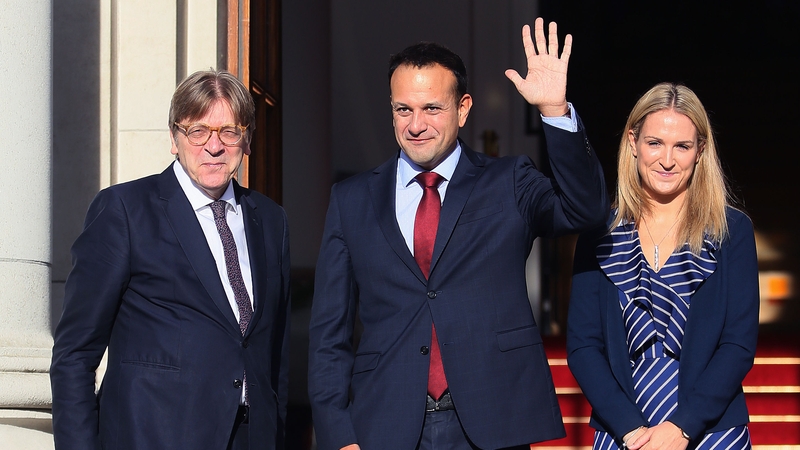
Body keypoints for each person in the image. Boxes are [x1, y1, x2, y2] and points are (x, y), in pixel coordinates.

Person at [308, 18, 609, 450]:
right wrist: (338, 435)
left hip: (494, 420)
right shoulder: (351, 199)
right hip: (385, 425)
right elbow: (329, 335)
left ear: (463, 109)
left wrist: (555, 111)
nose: (416, 124)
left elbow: (585, 209)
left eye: (432, 108)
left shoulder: (509, 181)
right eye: (403, 109)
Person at [50, 70, 291, 450]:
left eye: (229, 131)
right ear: (174, 139)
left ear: (247, 140)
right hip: (154, 436)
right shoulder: (125, 211)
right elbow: (75, 355)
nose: (214, 146)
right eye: (198, 131)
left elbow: (275, 354)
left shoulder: (271, 220)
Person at [566, 83, 759, 450]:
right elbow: (582, 346)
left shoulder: (732, 231)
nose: (667, 160)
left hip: (713, 432)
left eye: (682, 146)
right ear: (633, 142)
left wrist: (682, 427)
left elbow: (737, 344)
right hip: (622, 432)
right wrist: (631, 430)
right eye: (655, 143)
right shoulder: (598, 235)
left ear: (700, 151)